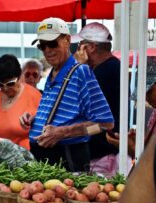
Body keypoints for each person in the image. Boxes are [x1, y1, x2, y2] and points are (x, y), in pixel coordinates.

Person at [20, 17, 114, 171]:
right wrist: (35, 119)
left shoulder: (81, 73)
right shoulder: (52, 73)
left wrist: (62, 133)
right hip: (44, 157)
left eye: (52, 43)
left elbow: (103, 125)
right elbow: (64, 115)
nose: (47, 50)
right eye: (42, 46)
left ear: (67, 40)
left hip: (67, 158)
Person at [106, 56, 156, 159]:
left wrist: (131, 148)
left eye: (149, 92)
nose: (145, 98)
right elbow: (148, 151)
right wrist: (136, 143)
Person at [72, 22, 121, 175]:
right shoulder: (113, 67)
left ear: (91, 47)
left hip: (102, 154)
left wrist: (78, 66)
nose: (77, 49)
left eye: (81, 44)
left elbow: (75, 101)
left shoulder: (103, 72)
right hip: (107, 150)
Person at [0, 54, 42, 150]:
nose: (5, 88)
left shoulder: (35, 96)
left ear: (20, 76)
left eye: (10, 83)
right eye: (0, 84)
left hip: (24, 161)